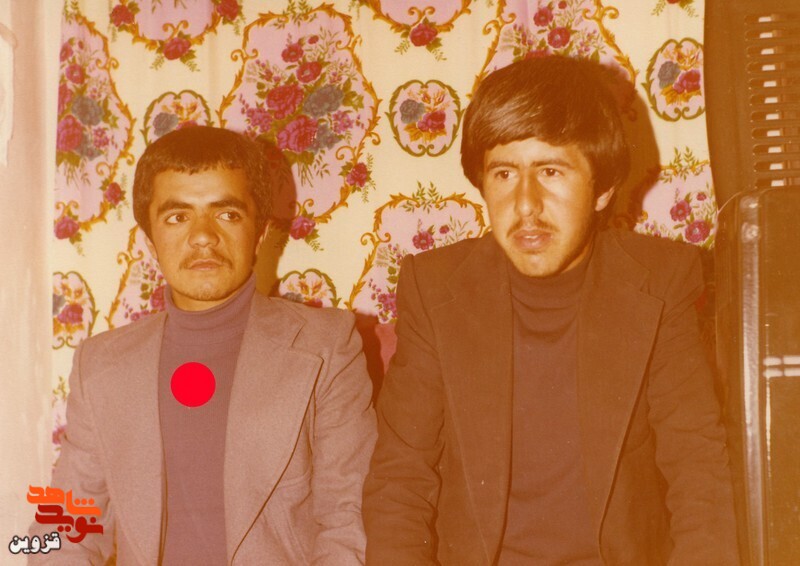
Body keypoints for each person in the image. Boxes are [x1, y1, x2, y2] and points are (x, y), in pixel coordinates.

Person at [362, 56, 739, 565]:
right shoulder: (435, 289)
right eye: (504, 173)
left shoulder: (660, 281)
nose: (526, 205)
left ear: (602, 188)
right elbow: (400, 482)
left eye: (551, 171)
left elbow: (700, 474)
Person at [32, 126, 376, 564]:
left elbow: (348, 522)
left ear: (260, 232)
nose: (202, 237)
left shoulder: (327, 347)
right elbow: (63, 530)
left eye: (227, 214)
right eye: (177, 217)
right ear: (149, 241)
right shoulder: (99, 364)